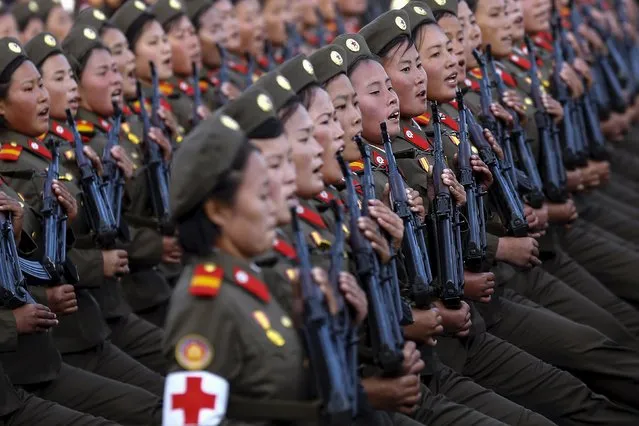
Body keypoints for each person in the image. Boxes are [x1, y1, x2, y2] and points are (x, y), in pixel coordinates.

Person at [0, 35, 162, 425]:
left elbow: (39, 259)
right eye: (32, 87)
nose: (45, 95)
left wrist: (28, 231)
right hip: (48, 351)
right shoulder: (14, 165)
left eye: (44, 83)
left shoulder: (48, 155)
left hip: (70, 337)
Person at [163, 112, 324, 424]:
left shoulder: (246, 280)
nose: (273, 204)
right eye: (263, 194)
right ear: (219, 211)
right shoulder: (204, 304)